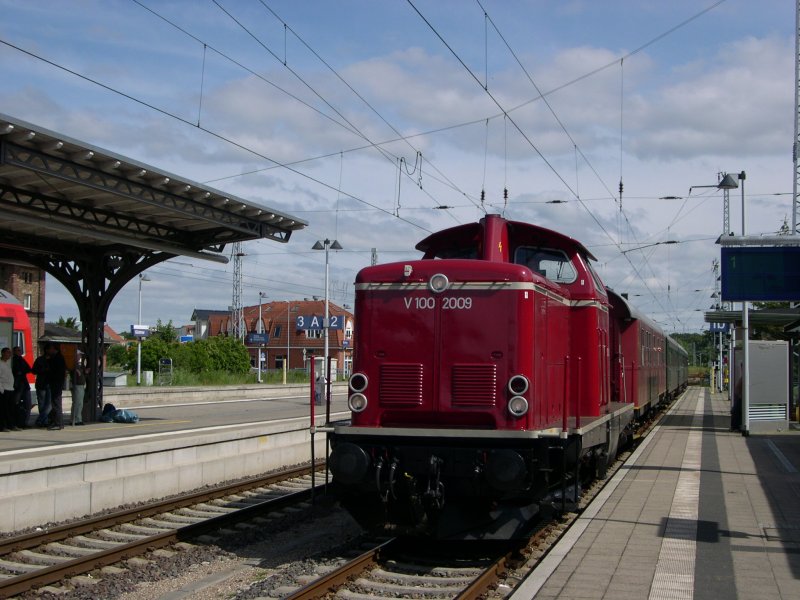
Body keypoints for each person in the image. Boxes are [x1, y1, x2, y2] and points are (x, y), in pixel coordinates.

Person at [46, 343, 66, 430]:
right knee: (56, 403)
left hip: (56, 383)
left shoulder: (56, 358)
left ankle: (58, 423)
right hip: (58, 383)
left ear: (53, 349)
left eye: (49, 350)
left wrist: (48, 361)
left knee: (56, 403)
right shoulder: (60, 357)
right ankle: (57, 422)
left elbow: (54, 371)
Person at [11, 346, 32, 428]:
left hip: (24, 384)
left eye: (20, 350)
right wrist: (20, 371)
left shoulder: (21, 359)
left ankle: (24, 422)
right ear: (14, 352)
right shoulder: (14, 360)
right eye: (18, 350)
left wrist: (21, 371)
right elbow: (16, 371)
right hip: (18, 385)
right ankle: (18, 421)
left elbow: (28, 369)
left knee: (27, 404)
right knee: (16, 403)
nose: (20, 352)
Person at [0, 347, 19, 431]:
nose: (10, 354)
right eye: (8, 353)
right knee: (3, 409)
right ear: (3, 353)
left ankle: (11, 425)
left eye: (10, 353)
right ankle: (2, 426)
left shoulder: (7, 363)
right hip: (4, 389)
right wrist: (1, 389)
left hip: (10, 389)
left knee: (11, 409)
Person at [32, 349, 51, 427]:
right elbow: (34, 371)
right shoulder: (40, 360)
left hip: (45, 383)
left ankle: (41, 419)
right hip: (43, 383)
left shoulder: (40, 359)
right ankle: (44, 421)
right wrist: (43, 370)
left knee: (47, 404)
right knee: (43, 404)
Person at [70, 354, 86, 426]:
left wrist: (85, 371)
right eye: (79, 355)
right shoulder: (73, 365)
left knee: (79, 403)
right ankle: (76, 420)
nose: (80, 357)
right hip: (77, 386)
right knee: (77, 403)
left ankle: (77, 418)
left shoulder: (78, 365)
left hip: (80, 385)